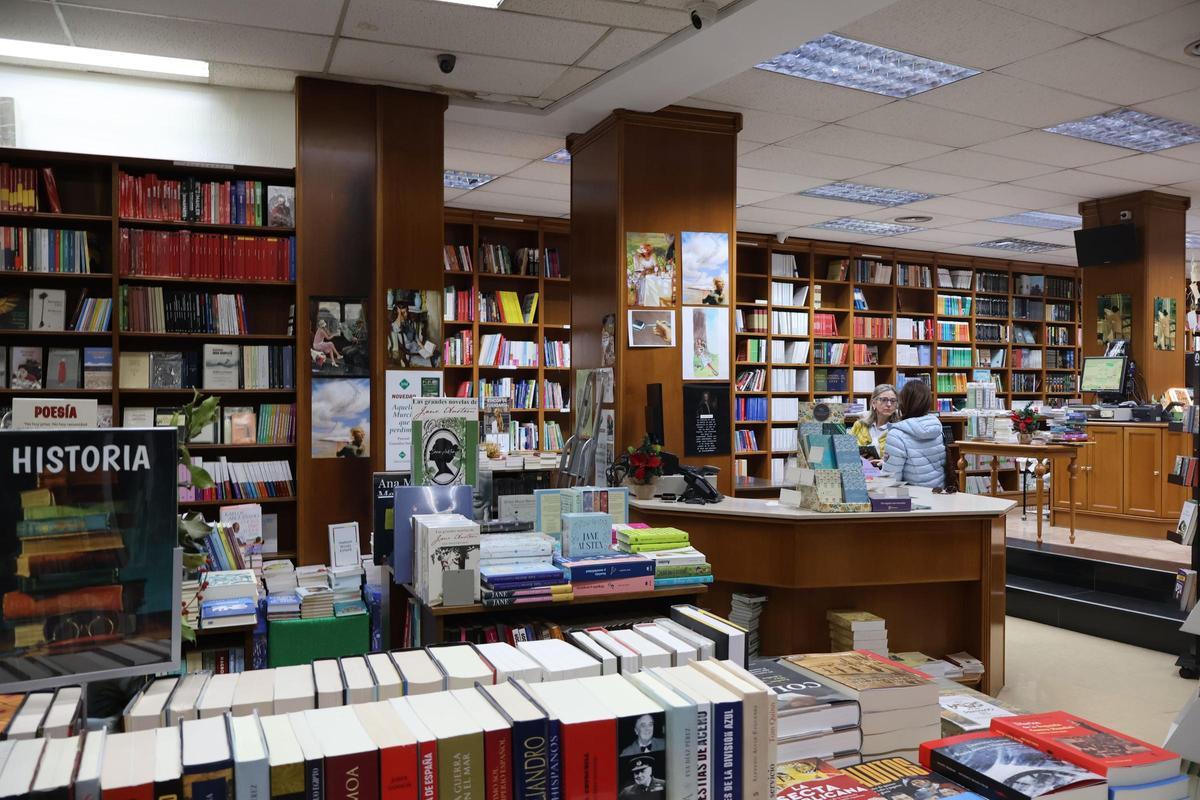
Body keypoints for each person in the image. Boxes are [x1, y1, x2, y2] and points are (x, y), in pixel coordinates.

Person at [881, 381, 946, 489]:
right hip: (939, 494)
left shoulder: (897, 435)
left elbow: (891, 481)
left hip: (913, 499)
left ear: (903, 402)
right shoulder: (936, 428)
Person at [850, 384, 899, 464]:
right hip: (860, 471)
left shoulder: (899, 429)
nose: (889, 404)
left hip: (885, 473)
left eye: (893, 401)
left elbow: (903, 458)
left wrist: (886, 463)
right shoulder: (859, 425)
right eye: (884, 400)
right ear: (874, 403)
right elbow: (845, 451)